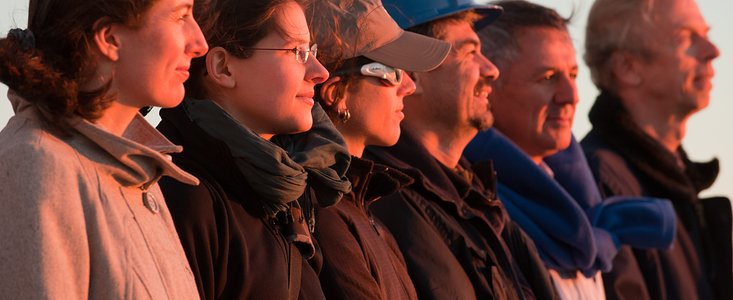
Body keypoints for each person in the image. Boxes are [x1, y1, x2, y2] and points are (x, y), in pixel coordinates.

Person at [463, 1, 676, 299]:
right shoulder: (475, 207)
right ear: (488, 86)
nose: (571, 96)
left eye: (573, 75)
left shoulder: (586, 211)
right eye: (548, 78)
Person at [0, 0, 208, 298]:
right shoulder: (35, 167)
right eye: (181, 15)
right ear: (110, 38)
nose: (199, 43)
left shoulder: (139, 171)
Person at [155, 0, 353, 298]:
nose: (319, 71)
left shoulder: (288, 185)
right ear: (223, 67)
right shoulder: (185, 195)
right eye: (298, 52)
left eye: (312, 52)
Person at [364, 0, 557, 299]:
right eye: (470, 53)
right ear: (413, 72)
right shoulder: (385, 200)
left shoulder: (477, 197)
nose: (491, 69)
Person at [581, 0, 731, 299]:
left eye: (707, 33)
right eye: (687, 38)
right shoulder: (598, 186)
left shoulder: (674, 182)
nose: (713, 51)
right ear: (628, 67)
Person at [307, 0, 450, 298]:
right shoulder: (327, 214)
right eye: (392, 71)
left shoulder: (362, 208)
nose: (409, 85)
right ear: (336, 93)